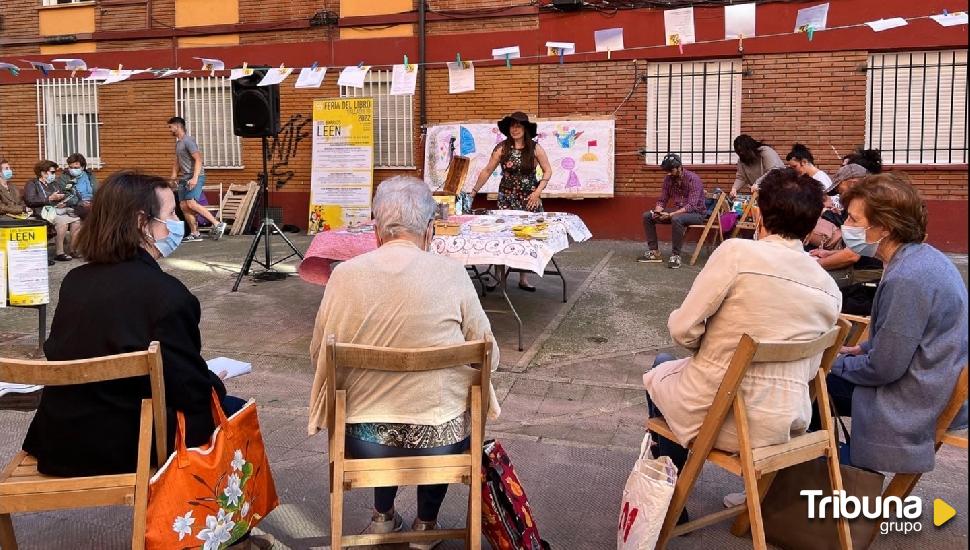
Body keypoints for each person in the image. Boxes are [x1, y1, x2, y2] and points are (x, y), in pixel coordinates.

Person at [308, 176, 501, 542]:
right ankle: (425, 526)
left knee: (379, 405)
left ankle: (383, 516)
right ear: (430, 229)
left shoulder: (343, 277)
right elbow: (489, 354)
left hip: (363, 442)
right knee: (443, 406)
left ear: (377, 230)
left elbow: (318, 352)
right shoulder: (453, 275)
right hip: (443, 441)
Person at [643, 168, 841, 520]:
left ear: (759, 213)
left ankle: (670, 497)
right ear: (812, 227)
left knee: (661, 364)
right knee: (676, 369)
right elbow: (810, 370)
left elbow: (683, 330)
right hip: (782, 425)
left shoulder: (737, 253)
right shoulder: (829, 288)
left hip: (719, 416)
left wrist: (708, 343)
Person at [820, 173, 968, 474]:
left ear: (884, 228)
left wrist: (829, 364)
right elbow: (903, 337)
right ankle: (814, 476)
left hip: (916, 395)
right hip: (930, 379)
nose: (845, 227)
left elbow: (884, 368)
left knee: (808, 386)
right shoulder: (920, 258)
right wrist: (859, 350)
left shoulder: (907, 278)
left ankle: (825, 477)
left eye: (853, 220)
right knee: (817, 385)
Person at [470, 111, 553, 291]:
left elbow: (548, 171)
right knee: (503, 236)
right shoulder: (501, 148)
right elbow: (487, 171)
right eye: (512, 126)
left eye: (518, 126)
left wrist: (538, 192)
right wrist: (474, 191)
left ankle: (523, 278)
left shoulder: (535, 148)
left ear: (525, 128)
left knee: (526, 237)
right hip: (506, 198)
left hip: (529, 198)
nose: (514, 129)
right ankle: (500, 278)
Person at [637, 153, 706, 269]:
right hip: (679, 211)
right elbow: (663, 199)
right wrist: (657, 212)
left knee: (676, 219)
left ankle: (675, 256)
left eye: (671, 170)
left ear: (679, 167)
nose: (669, 173)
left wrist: (670, 214)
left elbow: (691, 206)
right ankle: (654, 252)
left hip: (697, 213)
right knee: (648, 216)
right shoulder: (668, 179)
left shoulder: (693, 179)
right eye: (667, 171)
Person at [167, 116, 226, 241]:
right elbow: (177, 161)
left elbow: (198, 159)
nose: (170, 130)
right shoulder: (178, 143)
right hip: (184, 178)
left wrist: (194, 178)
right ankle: (195, 233)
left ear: (178, 126)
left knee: (191, 203)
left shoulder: (189, 141)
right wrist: (173, 176)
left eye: (171, 127)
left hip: (195, 176)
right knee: (183, 205)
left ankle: (217, 223)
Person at [23, 159, 80, 261]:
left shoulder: (53, 183)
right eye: (52, 172)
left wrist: (62, 200)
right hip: (41, 212)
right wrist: (49, 198)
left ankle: (73, 249)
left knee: (76, 220)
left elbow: (62, 194)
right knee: (62, 222)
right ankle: (59, 252)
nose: (54, 175)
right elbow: (30, 201)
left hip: (56, 210)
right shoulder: (32, 184)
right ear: (43, 173)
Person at [729, 134, 784, 198]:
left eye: (743, 151)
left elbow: (774, 171)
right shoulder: (742, 160)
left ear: (750, 148)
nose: (742, 154)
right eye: (739, 152)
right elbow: (741, 177)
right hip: (763, 194)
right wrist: (734, 189)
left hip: (779, 191)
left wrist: (758, 183)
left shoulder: (766, 151)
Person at [56, 152, 98, 220]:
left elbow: (97, 190)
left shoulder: (90, 176)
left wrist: (95, 202)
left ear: (82, 167)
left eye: (76, 168)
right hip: (76, 205)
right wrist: (80, 202)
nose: (73, 170)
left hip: (92, 203)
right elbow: (66, 194)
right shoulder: (64, 178)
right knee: (90, 213)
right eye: (71, 167)